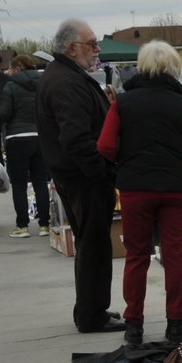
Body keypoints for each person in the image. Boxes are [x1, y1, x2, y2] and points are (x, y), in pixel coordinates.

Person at [95, 40, 182, 348]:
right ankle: (175, 324)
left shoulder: (124, 102)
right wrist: (180, 163)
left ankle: (134, 323)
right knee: (175, 255)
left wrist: (128, 162)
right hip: (176, 187)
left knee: (137, 256)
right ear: (173, 67)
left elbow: (105, 146)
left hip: (135, 187)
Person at [37, 19, 124, 333]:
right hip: (83, 178)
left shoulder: (68, 76)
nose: (96, 49)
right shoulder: (65, 81)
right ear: (72, 48)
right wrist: (101, 173)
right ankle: (90, 315)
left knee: (95, 244)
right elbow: (75, 138)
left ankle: (95, 308)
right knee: (93, 246)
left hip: (79, 176)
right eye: (91, 44)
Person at [0, 54, 52, 237]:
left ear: (17, 68)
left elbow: (3, 114)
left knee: (19, 185)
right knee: (41, 182)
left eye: (11, 68)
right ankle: (44, 225)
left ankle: (22, 226)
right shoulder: (44, 84)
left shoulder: (10, 87)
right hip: (40, 137)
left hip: (17, 138)